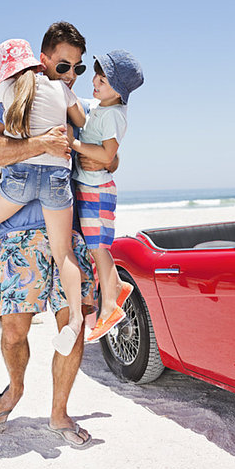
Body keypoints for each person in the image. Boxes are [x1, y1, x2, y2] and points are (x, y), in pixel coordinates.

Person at [0, 22, 117, 448]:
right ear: (42, 57)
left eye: (76, 67)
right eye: (63, 64)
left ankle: (59, 414)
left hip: (69, 230)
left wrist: (94, 153)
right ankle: (15, 389)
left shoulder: (76, 103)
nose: (71, 73)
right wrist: (41, 144)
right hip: (19, 233)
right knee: (14, 332)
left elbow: (109, 159)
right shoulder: (18, 93)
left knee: (70, 325)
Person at [0, 38, 86, 356]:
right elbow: (79, 120)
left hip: (20, 179)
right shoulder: (60, 89)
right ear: (39, 62)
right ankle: (75, 320)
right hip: (56, 180)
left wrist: (2, 93)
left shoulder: (7, 90)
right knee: (63, 253)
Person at [69, 50, 144, 341]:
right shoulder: (101, 107)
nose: (95, 81)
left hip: (97, 189)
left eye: (102, 79)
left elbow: (108, 154)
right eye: (96, 76)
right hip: (91, 187)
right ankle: (117, 291)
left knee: (99, 248)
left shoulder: (112, 115)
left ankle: (110, 307)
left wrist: (74, 144)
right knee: (96, 246)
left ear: (119, 90)